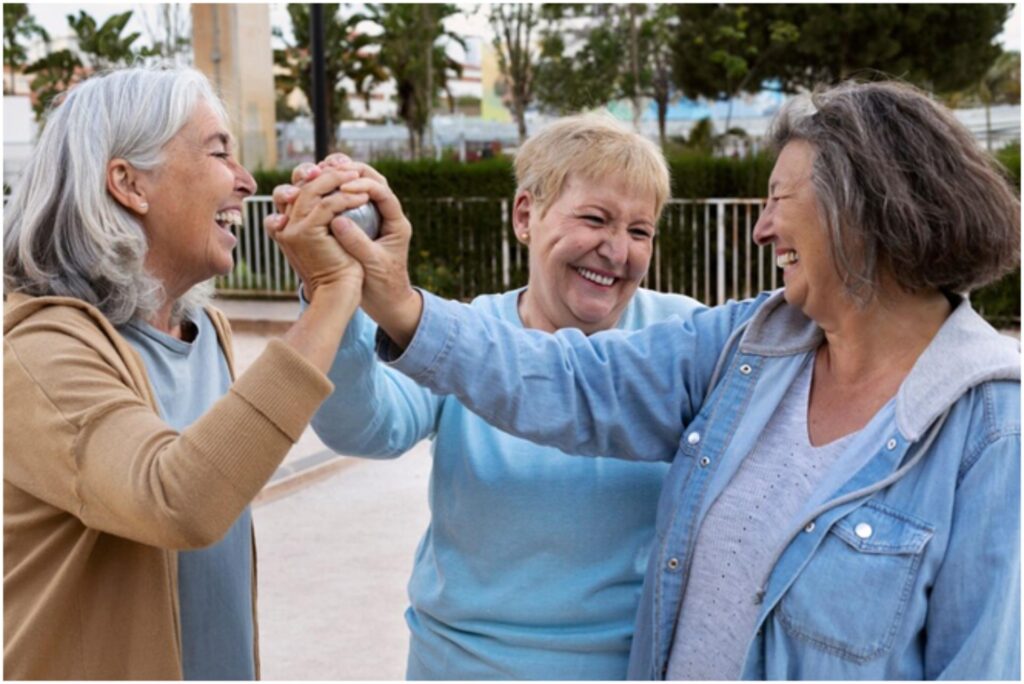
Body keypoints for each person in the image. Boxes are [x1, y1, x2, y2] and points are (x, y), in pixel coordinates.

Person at [331, 80, 1021, 679]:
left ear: (865, 211)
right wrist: (392, 302)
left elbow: (981, 662)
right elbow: (572, 383)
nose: (761, 228)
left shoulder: (990, 424)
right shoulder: (748, 347)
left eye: (780, 198)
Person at [270, 114, 704, 679]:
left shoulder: (682, 335)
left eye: (640, 231)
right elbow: (365, 427)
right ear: (526, 215)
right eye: (595, 219)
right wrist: (330, 289)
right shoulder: (468, 333)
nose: (617, 251)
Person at [3, 66, 368, 680]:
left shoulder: (205, 336)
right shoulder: (38, 351)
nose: (248, 182)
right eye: (220, 151)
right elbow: (179, 500)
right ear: (128, 182)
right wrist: (331, 295)